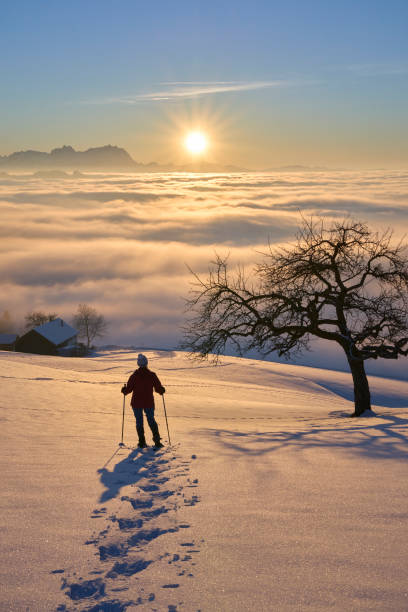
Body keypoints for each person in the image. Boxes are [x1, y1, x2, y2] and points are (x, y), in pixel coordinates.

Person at [121, 353, 165, 448]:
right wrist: (161, 390)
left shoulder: (134, 376)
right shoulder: (152, 375)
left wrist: (124, 390)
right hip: (148, 402)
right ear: (146, 363)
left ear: (138, 364)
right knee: (151, 420)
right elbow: (158, 388)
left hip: (136, 403)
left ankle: (141, 442)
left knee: (139, 421)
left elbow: (128, 390)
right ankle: (157, 441)